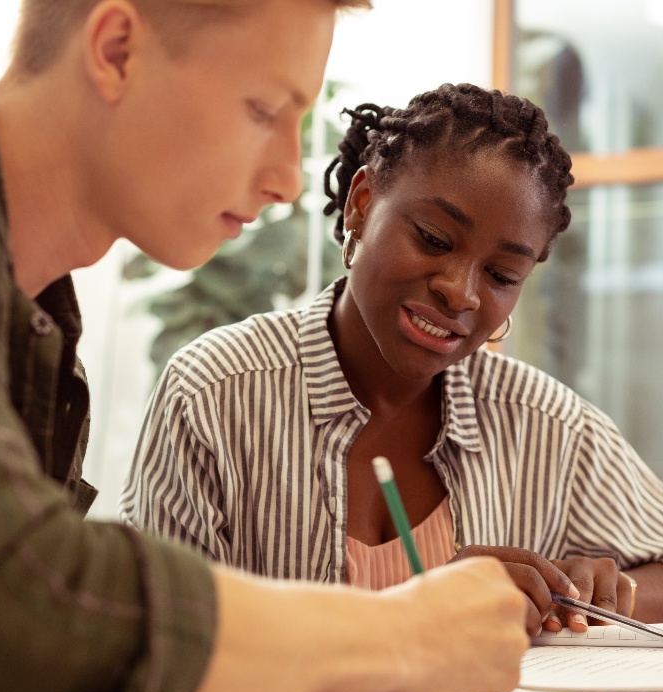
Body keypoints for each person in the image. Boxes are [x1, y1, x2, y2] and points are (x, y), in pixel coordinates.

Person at [0, 1, 531, 692]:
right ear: (117, 49)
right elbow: (14, 614)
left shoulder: (32, 313)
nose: (289, 181)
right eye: (264, 109)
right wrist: (407, 634)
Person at [121, 82, 663, 638]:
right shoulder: (214, 396)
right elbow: (152, 630)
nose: (461, 292)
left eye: (502, 276)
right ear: (362, 203)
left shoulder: (549, 426)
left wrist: (593, 593)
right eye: (433, 238)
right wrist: (408, 615)